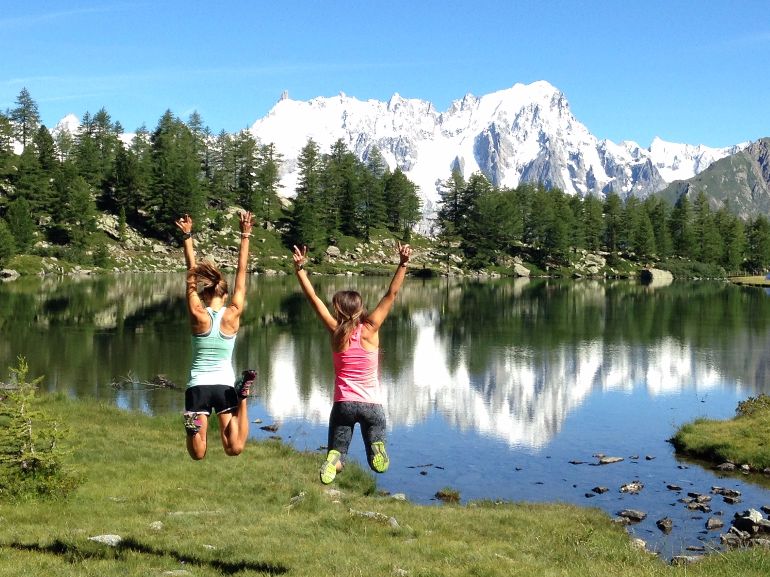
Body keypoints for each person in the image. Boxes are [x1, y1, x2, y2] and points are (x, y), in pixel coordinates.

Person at [291, 241, 412, 484]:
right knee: (375, 440)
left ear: (337, 310)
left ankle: (334, 460)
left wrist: (300, 269)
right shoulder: (371, 328)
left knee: (338, 451)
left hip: (343, 404)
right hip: (371, 406)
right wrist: (403, 263)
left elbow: (313, 298)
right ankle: (377, 448)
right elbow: (391, 294)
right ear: (360, 309)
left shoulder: (335, 331)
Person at [175, 211, 256, 460]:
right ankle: (242, 398)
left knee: (198, 453)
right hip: (224, 386)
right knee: (234, 447)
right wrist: (245, 235)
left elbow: (191, 273)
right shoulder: (232, 315)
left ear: (205, 295)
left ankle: (192, 430)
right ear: (225, 294)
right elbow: (242, 274)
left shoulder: (198, 315)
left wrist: (188, 236)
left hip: (198, 386)